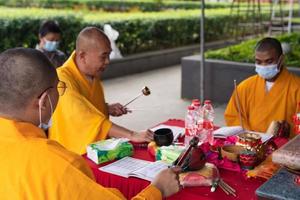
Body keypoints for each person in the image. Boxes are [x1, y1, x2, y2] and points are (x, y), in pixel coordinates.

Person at [0, 47, 180, 199]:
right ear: (44, 101)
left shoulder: (92, 77)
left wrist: (106, 107)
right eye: (58, 89)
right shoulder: (57, 165)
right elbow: (87, 117)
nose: (107, 61)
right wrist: (158, 189)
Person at [49, 27, 153, 154]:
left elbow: (86, 104)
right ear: (82, 55)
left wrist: (106, 108)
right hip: (72, 154)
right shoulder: (62, 80)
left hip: (98, 150)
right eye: (103, 56)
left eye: (109, 55)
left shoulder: (92, 73)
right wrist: (132, 134)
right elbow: (84, 116)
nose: (108, 61)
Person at [224, 37, 300, 138]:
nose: (263, 66)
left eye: (269, 61)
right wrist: (251, 137)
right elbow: (233, 117)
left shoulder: (297, 88)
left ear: (281, 60)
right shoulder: (245, 87)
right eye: (259, 62)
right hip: (250, 145)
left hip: (282, 149)